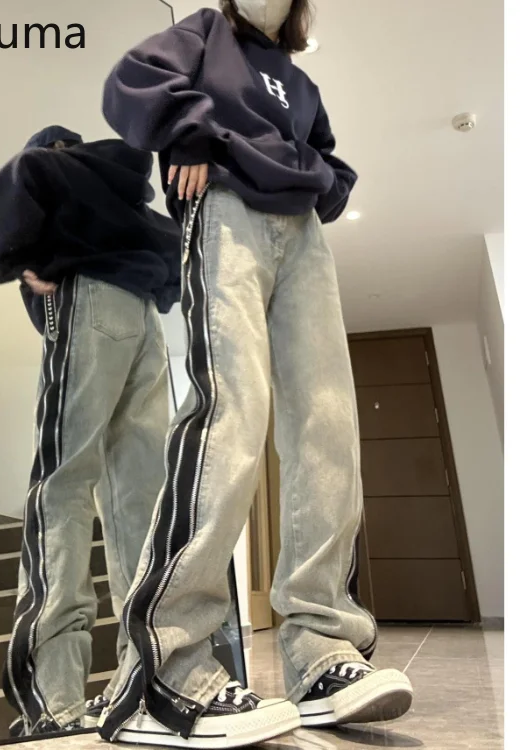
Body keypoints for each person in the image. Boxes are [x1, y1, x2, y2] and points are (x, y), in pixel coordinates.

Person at [96, 2, 414, 747]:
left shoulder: (299, 84)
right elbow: (132, 80)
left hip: (302, 235)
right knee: (229, 411)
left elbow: (327, 156)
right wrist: (189, 132)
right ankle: (162, 669)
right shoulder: (204, 33)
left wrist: (320, 183)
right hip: (223, 206)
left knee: (328, 424)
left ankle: (322, 649)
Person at [0, 126, 181, 736]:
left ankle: (56, 696)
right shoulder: (123, 185)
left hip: (86, 300)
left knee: (63, 485)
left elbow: (13, 183)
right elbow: (172, 247)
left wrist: (19, 262)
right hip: (143, 321)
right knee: (140, 497)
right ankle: (143, 682)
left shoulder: (47, 166)